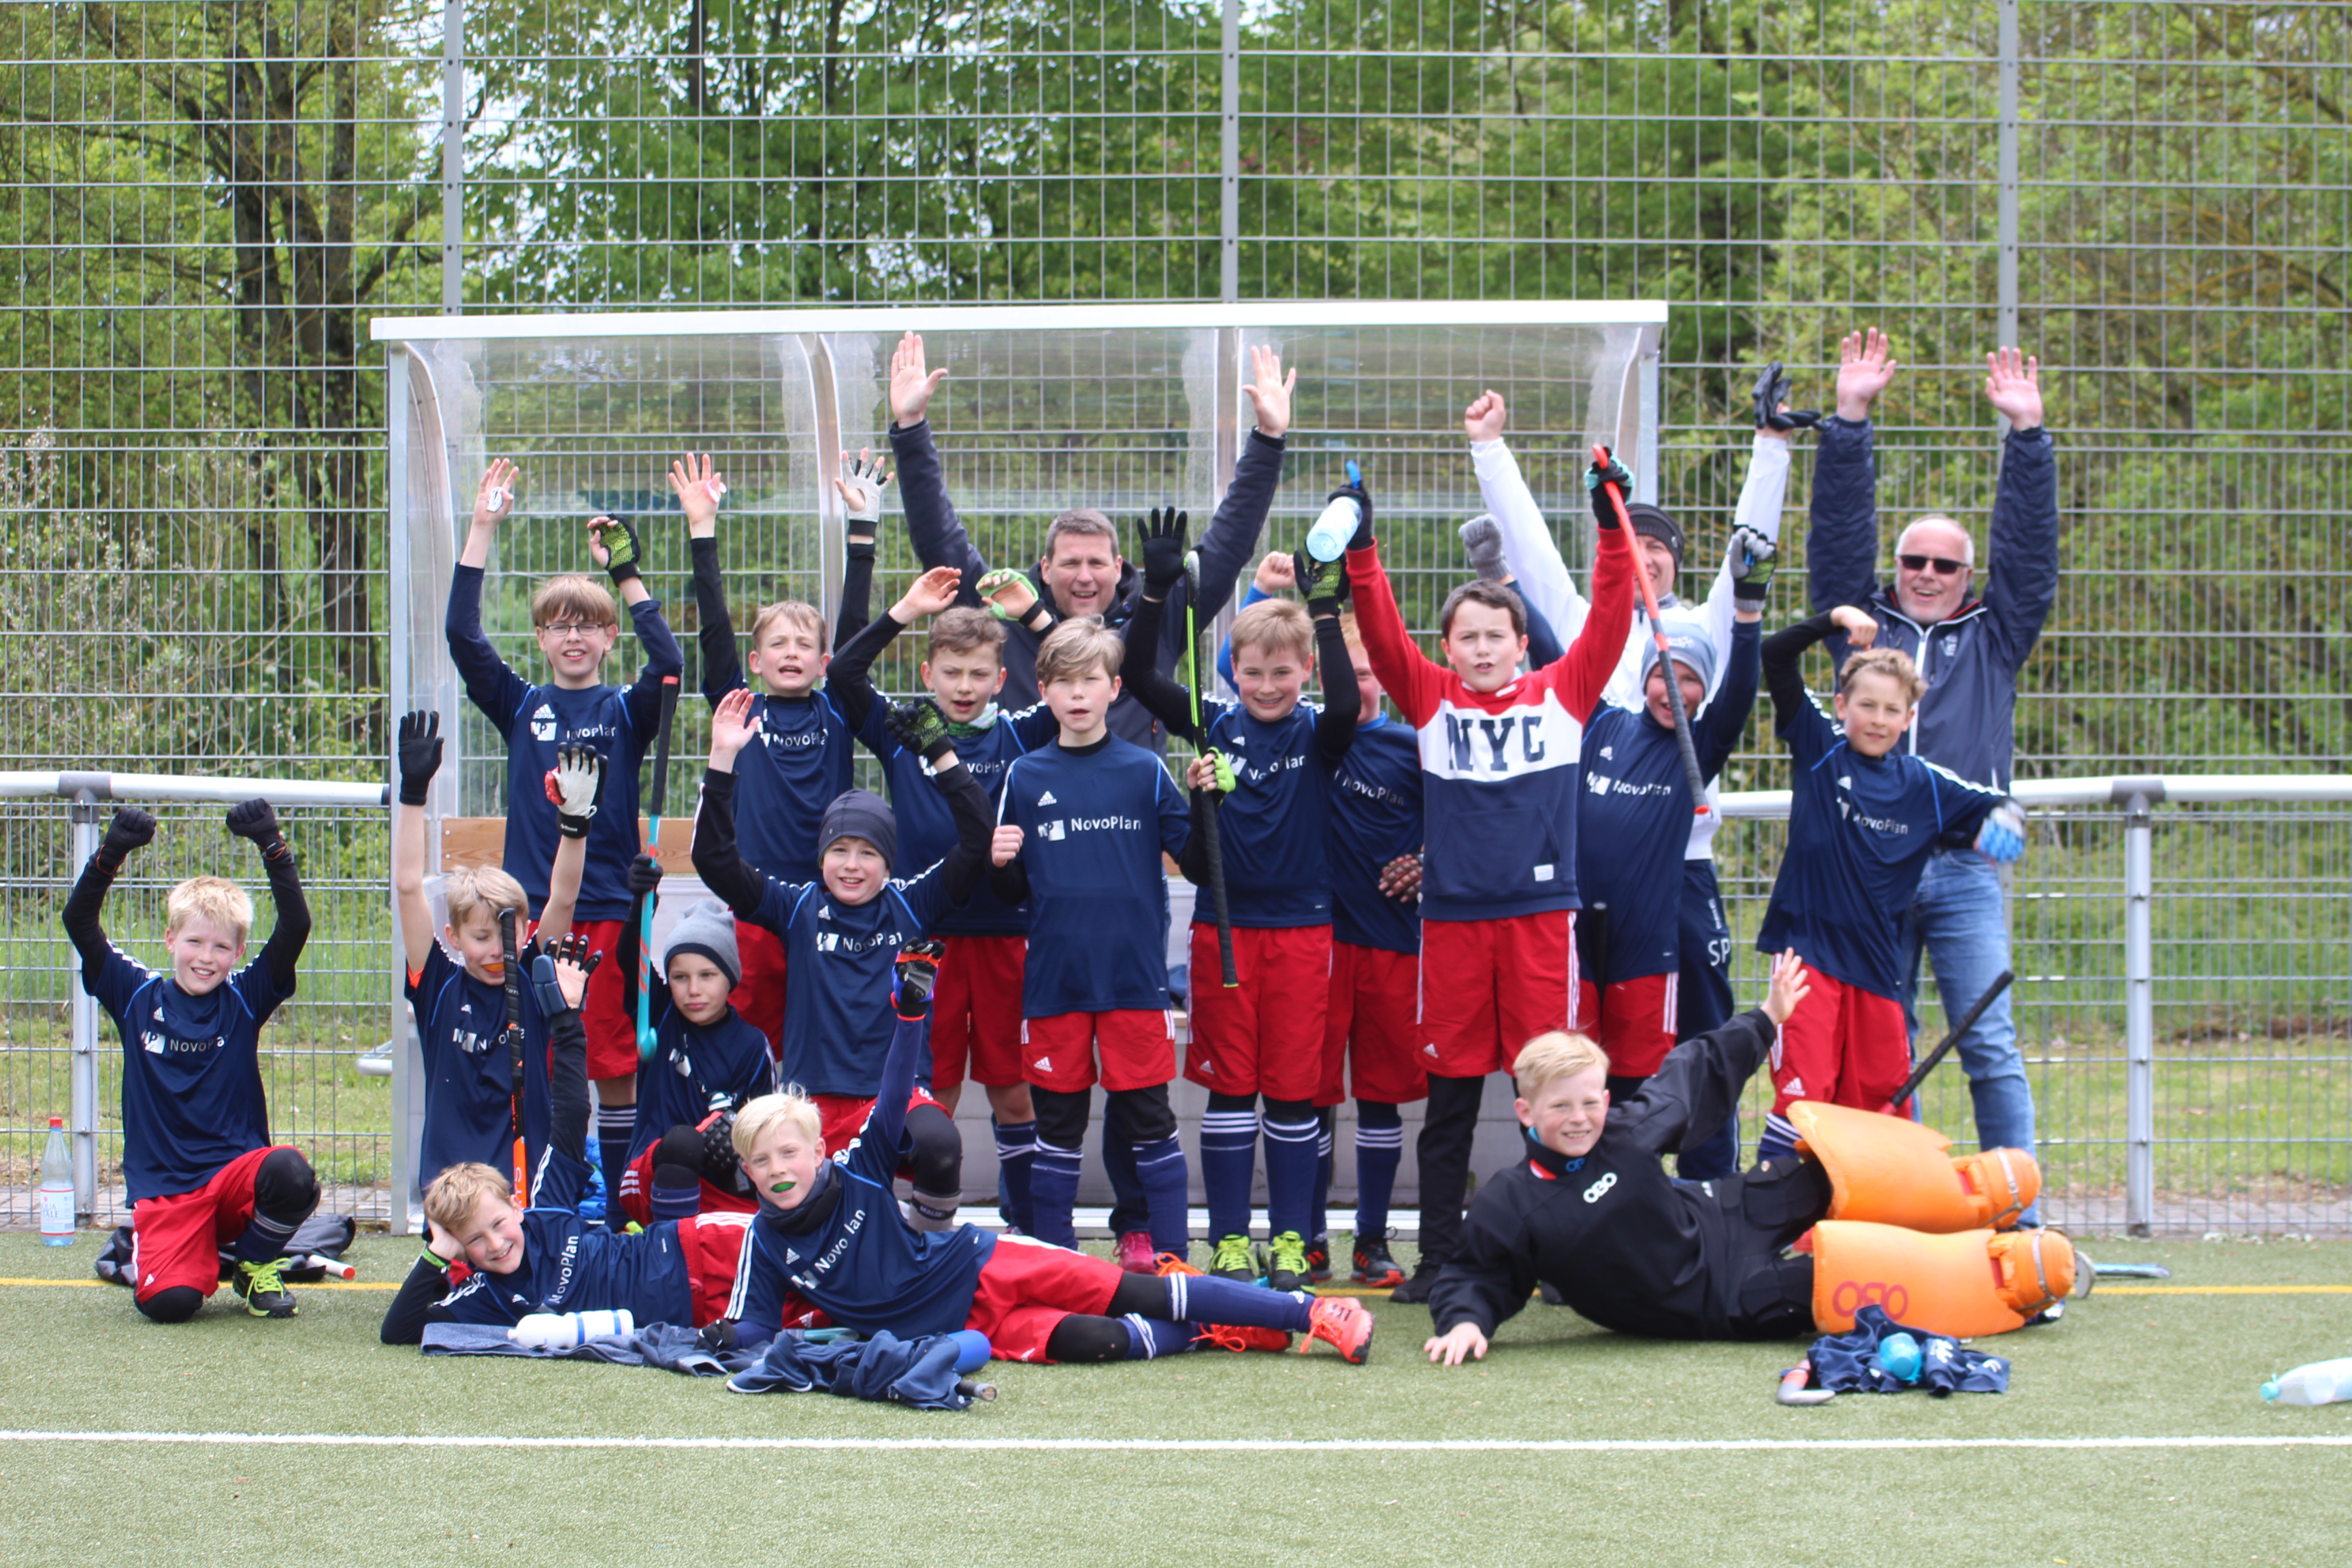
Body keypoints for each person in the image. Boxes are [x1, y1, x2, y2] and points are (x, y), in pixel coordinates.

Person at [710, 944, 1377, 1367]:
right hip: (958, 1330)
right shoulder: (765, 1244)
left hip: (987, 1265)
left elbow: (891, 1100)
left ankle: (1310, 1313)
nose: (777, 1170)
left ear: (817, 1151)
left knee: (1140, 1293)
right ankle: (1222, 1327)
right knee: (1101, 1341)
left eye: (787, 1153)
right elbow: (758, 1328)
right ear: (747, 1171)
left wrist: (911, 1012)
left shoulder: (855, 1171)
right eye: (761, 1162)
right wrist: (728, 1340)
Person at [1462, 385, 1802, 1180]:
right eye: (1628, 540)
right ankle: (1591, 1193)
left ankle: (1710, 1196)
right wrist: (1490, 451)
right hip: (1588, 885)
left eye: (1659, 548)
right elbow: (1534, 561)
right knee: (1587, 1048)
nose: (1644, 554)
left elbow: (1744, 568)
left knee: (1700, 1037)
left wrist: (1772, 447)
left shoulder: (1702, 634)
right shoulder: (1588, 626)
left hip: (1677, 881)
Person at [1422, 951, 2071, 1360]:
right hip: (1718, 1300)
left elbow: (1694, 1072)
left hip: (1725, 1216)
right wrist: (1465, 1322)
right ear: (1527, 1113)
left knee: (1827, 1172)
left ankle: (1974, 1200)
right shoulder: (1512, 1202)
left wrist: (1768, 1015)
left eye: (1590, 1101)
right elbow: (1476, 1274)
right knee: (1846, 1279)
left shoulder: (1622, 1130)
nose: (1580, 1119)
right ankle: (2004, 1279)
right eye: (1561, 1108)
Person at [1345, 455, 1635, 1301]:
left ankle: (1566, 1258)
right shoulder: (1429, 700)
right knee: (1451, 1104)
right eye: (1466, 637)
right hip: (1455, 928)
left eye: (1495, 637)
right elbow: (1382, 627)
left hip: (1543, 923)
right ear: (1449, 648)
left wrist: (1610, 528)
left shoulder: (1564, 692)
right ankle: (1441, 1257)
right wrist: (1364, 547)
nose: (1481, 649)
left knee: (1557, 1095)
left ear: (1520, 644)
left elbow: (1612, 614)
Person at [1806, 333, 2059, 1203]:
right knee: (1884, 1046)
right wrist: (1849, 420)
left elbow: (2029, 558)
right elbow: (1837, 538)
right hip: (1869, 869)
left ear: (1966, 576)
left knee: (1988, 1041)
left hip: (1961, 870)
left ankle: (2018, 1222)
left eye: (1944, 564)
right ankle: (1892, 1210)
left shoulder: (1995, 634)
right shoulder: (1861, 625)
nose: (1924, 574)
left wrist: (2026, 437)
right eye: (1912, 559)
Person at [1120, 514, 1360, 1290]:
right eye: (1253, 671)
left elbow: (1351, 703)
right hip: (1224, 930)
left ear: (1304, 675)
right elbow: (1135, 670)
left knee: (1292, 1091)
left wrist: (1322, 612)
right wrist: (1157, 590)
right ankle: (1228, 1239)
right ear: (1233, 671)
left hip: (1303, 935)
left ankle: (1291, 1240)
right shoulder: (1214, 723)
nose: (1266, 686)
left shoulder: (1321, 732)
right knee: (1230, 1089)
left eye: (1281, 674)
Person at [446, 459, 685, 1210]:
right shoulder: (520, 706)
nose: (572, 636)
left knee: (613, 1059)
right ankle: (542, 1194)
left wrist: (628, 575)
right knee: (539, 1053)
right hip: (529, 910)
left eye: (587, 626)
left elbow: (672, 664)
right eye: (558, 625)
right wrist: (482, 528)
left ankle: (611, 1200)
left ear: (609, 637)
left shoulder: (624, 710)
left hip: (609, 906)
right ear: (542, 638)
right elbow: (462, 635)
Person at [689, 687, 1004, 1232]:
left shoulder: (914, 901)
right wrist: (723, 760)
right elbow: (714, 861)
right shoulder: (797, 906)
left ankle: (929, 1257)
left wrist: (942, 755)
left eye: (868, 853)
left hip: (895, 1097)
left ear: (888, 861)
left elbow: (978, 841)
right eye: (840, 851)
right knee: (825, 1222)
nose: (852, 866)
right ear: (822, 857)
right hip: (813, 1104)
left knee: (941, 1144)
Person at [884, 331, 1292, 751]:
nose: (1084, 577)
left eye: (1097, 564)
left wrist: (1268, 437)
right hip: (1025, 813)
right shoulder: (1004, 612)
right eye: (1069, 563)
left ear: (1119, 569)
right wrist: (912, 428)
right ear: (1044, 569)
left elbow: (1227, 549)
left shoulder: (1156, 618)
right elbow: (940, 543)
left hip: (1130, 813)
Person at [826, 561, 1062, 1241]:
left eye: (978, 674)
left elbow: (1090, 670)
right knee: (935, 1093)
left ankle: (1028, 1229)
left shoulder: (1020, 735)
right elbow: (844, 675)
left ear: (1002, 678)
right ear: (929, 675)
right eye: (951, 673)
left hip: (1007, 934)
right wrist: (902, 609)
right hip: (924, 938)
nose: (964, 687)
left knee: (1013, 1091)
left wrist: (1034, 617)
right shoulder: (906, 732)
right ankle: (922, 1228)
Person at [379, 940, 757, 1343]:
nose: (495, 1244)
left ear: (514, 1206)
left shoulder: (545, 1207)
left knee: (810, 1261)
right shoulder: (489, 1296)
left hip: (696, 1250)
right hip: (698, 1317)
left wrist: (567, 1019)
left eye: (497, 1224)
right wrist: (438, 1250)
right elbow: (396, 1331)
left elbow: (574, 1114)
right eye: (473, 1240)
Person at [1752, 605, 2025, 1160]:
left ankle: (1874, 1238)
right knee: (1804, 1106)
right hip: (1807, 965)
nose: (1877, 719)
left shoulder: (1925, 784)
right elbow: (1774, 654)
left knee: (1878, 1112)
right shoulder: (1819, 746)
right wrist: (1832, 621)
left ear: (1908, 718)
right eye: (1866, 705)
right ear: (1841, 707)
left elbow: (1999, 803)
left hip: (1878, 976)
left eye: (1892, 710)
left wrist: (2007, 823)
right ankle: (1779, 1236)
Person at [63, 800, 317, 1322]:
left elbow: (294, 927)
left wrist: (272, 844)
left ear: (238, 949)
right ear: (170, 940)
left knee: (291, 1173)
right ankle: (172, 1252)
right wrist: (111, 852)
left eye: (222, 947)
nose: (206, 957)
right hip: (169, 1191)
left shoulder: (246, 997)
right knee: (171, 1306)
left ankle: (252, 1264)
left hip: (234, 1181)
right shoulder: (134, 995)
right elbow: (79, 922)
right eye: (195, 942)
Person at [988, 620, 1196, 1257]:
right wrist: (999, 863)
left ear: (1113, 690)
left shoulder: (1147, 770)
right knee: (1058, 1128)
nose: (1078, 694)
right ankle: (1056, 1259)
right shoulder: (1023, 775)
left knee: (1150, 1121)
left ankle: (1170, 1260)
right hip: (1056, 985)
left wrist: (1209, 802)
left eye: (1091, 681)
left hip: (1133, 981)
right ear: (1044, 691)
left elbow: (1199, 865)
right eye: (1064, 682)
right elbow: (1012, 893)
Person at [1573, 564, 1766, 1175]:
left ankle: (1670, 1200)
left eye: (1688, 680)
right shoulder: (1604, 723)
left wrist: (1748, 614)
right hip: (1581, 944)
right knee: (1581, 1075)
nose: (1672, 691)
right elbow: (1562, 652)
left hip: (1645, 948)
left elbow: (1739, 694)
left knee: (1639, 1086)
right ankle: (1577, 1205)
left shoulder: (1696, 748)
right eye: (1663, 674)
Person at [682, 451, 870, 1052]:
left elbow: (860, 627)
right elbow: (713, 631)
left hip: (828, 898)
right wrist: (701, 531)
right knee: (759, 1039)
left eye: (805, 644)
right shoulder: (738, 707)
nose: (793, 652)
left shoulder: (839, 706)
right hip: (758, 901)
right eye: (777, 644)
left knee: (826, 1033)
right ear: (758, 661)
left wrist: (863, 534)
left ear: (824, 660)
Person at [392, 710, 593, 1188]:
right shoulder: (437, 982)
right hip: (453, 1187)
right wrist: (413, 795)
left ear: (525, 932)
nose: (496, 951)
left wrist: (575, 825)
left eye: (508, 936)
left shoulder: (532, 975)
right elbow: (406, 886)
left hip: (524, 1185)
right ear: (454, 936)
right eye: (482, 938)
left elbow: (563, 897)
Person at [1319, 608, 1428, 1288]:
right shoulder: (1305, 734)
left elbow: (1468, 814)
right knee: (1312, 1096)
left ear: (1385, 680)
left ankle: (1371, 1242)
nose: (1354, 686)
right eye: (1342, 672)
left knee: (1383, 1099)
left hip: (1394, 945)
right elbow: (1234, 671)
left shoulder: (1413, 746)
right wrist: (1262, 596)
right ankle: (1305, 1241)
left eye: (1365, 674)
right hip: (1319, 948)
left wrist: (1430, 857)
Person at [610, 873, 774, 1228]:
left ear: (730, 977)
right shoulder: (661, 1013)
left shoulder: (752, 1046)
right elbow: (629, 958)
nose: (693, 990)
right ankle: (665, 1248)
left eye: (707, 975)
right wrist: (642, 902)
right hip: (648, 1176)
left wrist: (732, 1139)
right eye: (680, 977)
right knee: (684, 1141)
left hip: (718, 1186)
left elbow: (764, 1131)